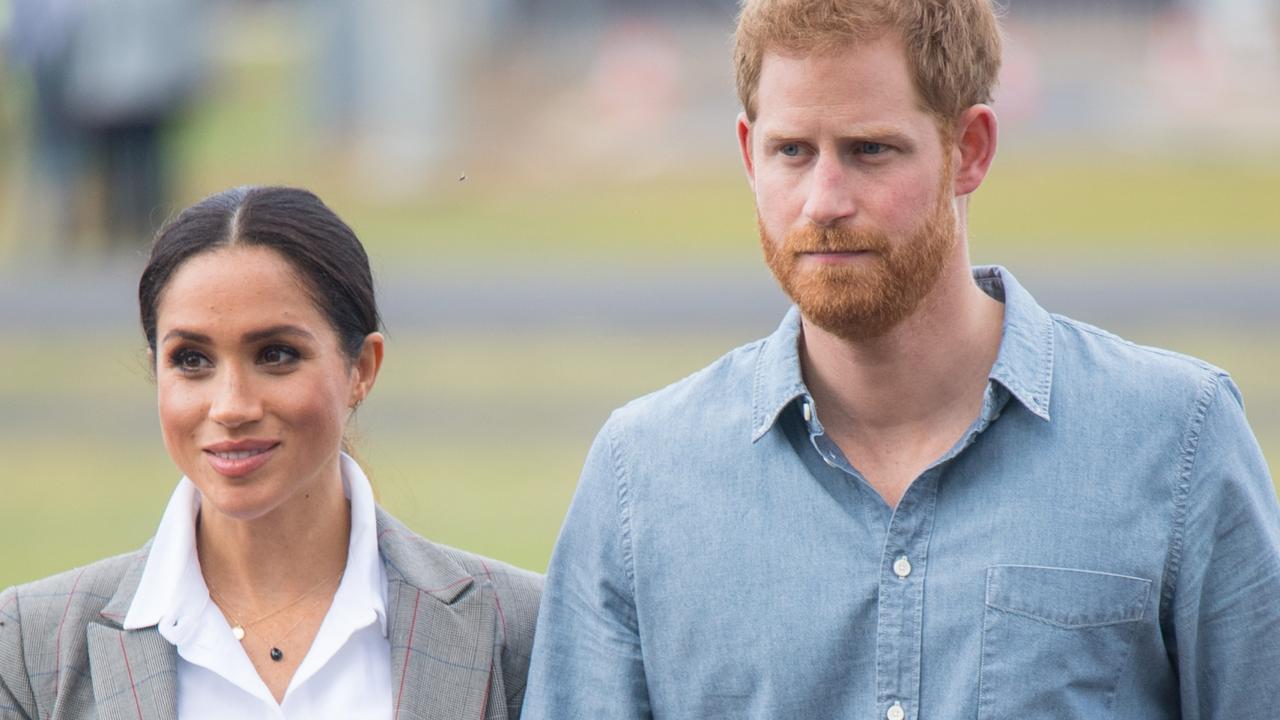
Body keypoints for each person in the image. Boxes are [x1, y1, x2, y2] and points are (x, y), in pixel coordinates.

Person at [522, 1, 1280, 718]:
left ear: (970, 150)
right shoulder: (643, 478)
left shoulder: (1176, 440)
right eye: (793, 151)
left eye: (869, 151)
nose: (823, 200)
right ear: (750, 155)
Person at [0, 186, 541, 719]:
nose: (232, 406)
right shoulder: (31, 648)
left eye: (276, 354)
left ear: (362, 369)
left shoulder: (522, 630)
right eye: (191, 359)